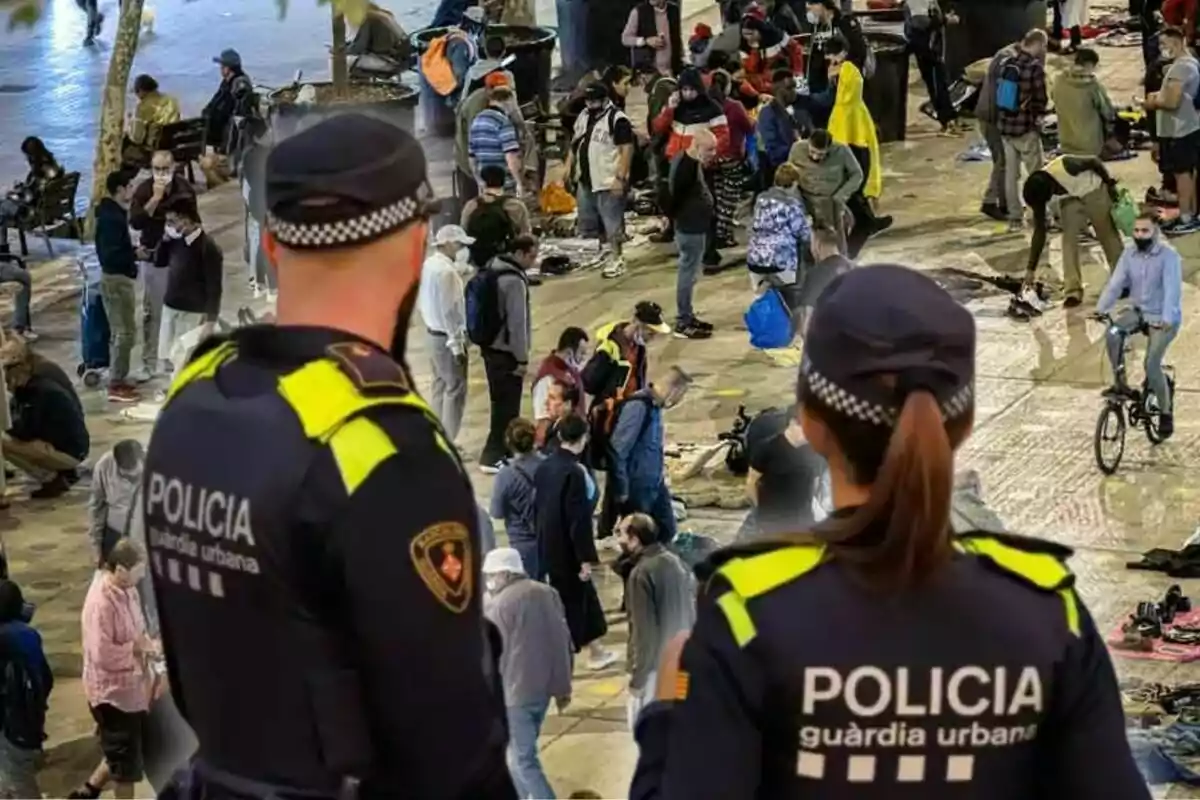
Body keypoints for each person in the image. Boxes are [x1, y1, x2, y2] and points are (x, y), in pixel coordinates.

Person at [628, 264, 1150, 799]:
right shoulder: (1047, 616)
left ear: (810, 424)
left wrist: (668, 710)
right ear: (963, 423)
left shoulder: (745, 623)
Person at [142, 113, 517, 798]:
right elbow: (453, 749)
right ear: (415, 246)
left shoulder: (196, 398)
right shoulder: (378, 448)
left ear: (271, 245)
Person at [482, 547, 573, 800]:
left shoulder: (499, 605)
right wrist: (562, 687)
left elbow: (490, 657)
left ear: (505, 574)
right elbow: (562, 643)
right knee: (516, 757)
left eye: (492, 575)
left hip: (514, 693)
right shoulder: (547, 593)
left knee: (522, 760)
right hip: (542, 691)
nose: (489, 581)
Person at [71, 540, 159, 800]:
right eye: (139, 570)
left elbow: (138, 627)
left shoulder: (127, 588)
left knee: (122, 751)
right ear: (120, 568)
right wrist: (137, 650)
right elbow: (102, 655)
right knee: (127, 771)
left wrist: (147, 646)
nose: (142, 575)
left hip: (131, 691)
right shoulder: (101, 603)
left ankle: (88, 791)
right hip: (112, 697)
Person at [534, 415, 616, 670]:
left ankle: (596, 650)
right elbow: (578, 520)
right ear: (583, 439)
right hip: (568, 550)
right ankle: (570, 657)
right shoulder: (575, 473)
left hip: (548, 544)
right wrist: (584, 558)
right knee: (576, 603)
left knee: (578, 599)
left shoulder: (545, 466)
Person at [1096, 213, 1183, 438]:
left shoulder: (1169, 257)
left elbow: (1172, 290)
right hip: (1139, 312)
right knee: (1113, 333)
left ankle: (1165, 413)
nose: (1139, 235)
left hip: (1163, 316)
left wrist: (1166, 318)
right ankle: (1121, 384)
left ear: (1155, 231)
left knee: (1151, 363)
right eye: (1136, 231)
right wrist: (1101, 308)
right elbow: (1115, 284)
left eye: (1145, 231)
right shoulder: (1129, 254)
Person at [618, 513, 695, 730]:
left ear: (634, 539)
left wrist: (638, 679)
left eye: (621, 533)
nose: (618, 540)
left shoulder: (641, 574)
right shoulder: (675, 562)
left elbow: (645, 634)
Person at [1021, 155, 1124, 308]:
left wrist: (1108, 183)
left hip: (1094, 190)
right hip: (1070, 198)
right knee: (1068, 240)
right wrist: (1030, 269)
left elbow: (1094, 161)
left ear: (1051, 188)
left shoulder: (1066, 165)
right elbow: (1040, 231)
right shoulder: (1038, 191)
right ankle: (1073, 291)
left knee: (1107, 235)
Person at [130, 150, 197, 379]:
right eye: (157, 169)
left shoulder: (184, 190)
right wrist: (155, 199)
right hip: (153, 259)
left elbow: (196, 224)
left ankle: (174, 357)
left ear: (173, 167)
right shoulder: (143, 190)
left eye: (165, 169)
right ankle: (148, 362)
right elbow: (137, 222)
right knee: (153, 312)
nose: (161, 174)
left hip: (179, 258)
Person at [610, 366, 693, 543]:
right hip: (637, 488)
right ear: (673, 390)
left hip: (655, 484)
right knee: (640, 540)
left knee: (667, 531)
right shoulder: (638, 407)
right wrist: (621, 488)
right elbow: (618, 449)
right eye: (681, 396)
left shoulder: (654, 408)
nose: (679, 401)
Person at [825, 36, 889, 253]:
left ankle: (865, 226)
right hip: (848, 136)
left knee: (854, 185)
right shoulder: (845, 74)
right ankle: (867, 222)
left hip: (852, 138)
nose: (831, 63)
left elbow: (847, 96)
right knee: (854, 190)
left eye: (832, 58)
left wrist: (836, 73)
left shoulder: (849, 71)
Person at [479, 235, 537, 473]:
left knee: (500, 403)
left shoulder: (494, 266)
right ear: (520, 254)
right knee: (506, 407)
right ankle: (492, 456)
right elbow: (517, 324)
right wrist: (522, 359)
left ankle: (500, 452)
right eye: (532, 256)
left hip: (491, 348)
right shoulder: (513, 282)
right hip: (507, 353)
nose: (534, 261)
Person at [567, 83, 636, 279]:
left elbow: (626, 150)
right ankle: (603, 253)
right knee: (589, 221)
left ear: (605, 99)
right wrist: (569, 167)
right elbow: (575, 142)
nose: (591, 103)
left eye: (594, 100)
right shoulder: (583, 115)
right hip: (586, 179)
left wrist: (620, 178)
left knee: (612, 222)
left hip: (608, 179)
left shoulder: (617, 119)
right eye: (588, 100)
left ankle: (618, 258)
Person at [2, 345, 88, 499]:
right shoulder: (37, 379)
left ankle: (51, 478)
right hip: (67, 445)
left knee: (4, 443)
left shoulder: (38, 391)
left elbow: (23, 430)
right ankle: (61, 471)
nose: (7, 386)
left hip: (70, 452)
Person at [155, 197, 223, 380]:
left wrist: (211, 320)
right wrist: (164, 240)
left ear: (186, 220)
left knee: (183, 356)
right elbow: (159, 261)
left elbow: (214, 286)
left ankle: (180, 391)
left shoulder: (207, 247)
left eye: (172, 221)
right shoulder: (175, 241)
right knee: (168, 355)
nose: (169, 225)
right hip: (171, 306)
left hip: (192, 311)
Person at [418, 224, 474, 442]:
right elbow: (451, 312)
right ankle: (449, 441)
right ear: (449, 244)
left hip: (432, 335)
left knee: (439, 387)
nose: (462, 249)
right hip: (446, 339)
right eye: (459, 244)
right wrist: (457, 344)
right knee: (455, 390)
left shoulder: (429, 265)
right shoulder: (447, 273)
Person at [1144, 26, 1200, 235]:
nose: (1161, 49)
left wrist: (1151, 102)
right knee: (1186, 173)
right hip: (1186, 126)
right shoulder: (1188, 63)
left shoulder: (1182, 68)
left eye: (1164, 45)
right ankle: (1190, 213)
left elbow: (1172, 101)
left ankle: (1186, 217)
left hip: (1180, 129)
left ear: (1176, 43)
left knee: (1182, 175)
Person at [0, 578, 51, 800]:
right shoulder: (30, 637)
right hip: (30, 726)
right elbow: (46, 680)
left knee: (23, 787)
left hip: (10, 730)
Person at [95, 170, 143, 403]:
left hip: (117, 277)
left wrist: (134, 253)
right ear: (121, 189)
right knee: (124, 332)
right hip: (116, 280)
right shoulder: (112, 219)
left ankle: (119, 377)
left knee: (124, 331)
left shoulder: (111, 214)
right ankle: (116, 383)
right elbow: (111, 254)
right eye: (130, 186)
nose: (133, 191)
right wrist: (132, 257)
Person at [745, 406, 830, 535]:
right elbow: (751, 482)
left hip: (804, 519)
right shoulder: (767, 449)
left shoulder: (814, 451)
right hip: (774, 520)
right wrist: (760, 511)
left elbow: (816, 482)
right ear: (793, 423)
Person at [996, 30, 1049, 231]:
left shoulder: (1007, 64)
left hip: (1006, 129)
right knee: (1037, 175)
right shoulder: (1034, 68)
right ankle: (1040, 217)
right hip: (1026, 129)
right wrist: (1039, 118)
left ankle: (1015, 219)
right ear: (1038, 45)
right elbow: (1040, 101)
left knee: (1011, 175)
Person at [667, 128, 717, 339]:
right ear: (696, 147)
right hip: (689, 228)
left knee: (692, 273)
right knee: (687, 274)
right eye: (709, 149)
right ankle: (683, 321)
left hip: (696, 225)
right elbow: (672, 197)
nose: (713, 153)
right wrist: (672, 221)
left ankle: (687, 315)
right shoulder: (685, 168)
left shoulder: (691, 162)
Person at [788, 129, 864, 255]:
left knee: (837, 247)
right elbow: (789, 176)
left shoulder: (842, 151)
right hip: (805, 200)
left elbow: (857, 174)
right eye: (812, 152)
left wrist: (841, 196)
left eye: (821, 154)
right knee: (805, 246)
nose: (815, 157)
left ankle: (841, 270)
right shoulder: (797, 149)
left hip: (831, 203)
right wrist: (796, 201)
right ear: (808, 143)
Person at [489, 419, 544, 580]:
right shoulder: (547, 464)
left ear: (508, 442)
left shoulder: (505, 475)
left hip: (522, 542)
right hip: (550, 537)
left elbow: (496, 512)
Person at [0, 136, 64, 270]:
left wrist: (16, 194)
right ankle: (3, 249)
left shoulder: (39, 171)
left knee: (2, 207)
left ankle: (3, 250)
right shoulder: (53, 166)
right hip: (49, 208)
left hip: (32, 213)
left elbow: (30, 197)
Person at [747, 162, 811, 290]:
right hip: (781, 260)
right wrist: (808, 223)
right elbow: (803, 234)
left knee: (761, 300)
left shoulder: (760, 199)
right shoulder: (791, 204)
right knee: (787, 299)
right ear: (793, 183)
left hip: (755, 258)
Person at [976, 40, 1020, 221]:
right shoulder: (1010, 64)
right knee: (1002, 161)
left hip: (987, 114)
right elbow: (1006, 99)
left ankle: (1004, 202)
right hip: (993, 118)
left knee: (1002, 161)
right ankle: (990, 201)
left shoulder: (1002, 56)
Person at [905, 0, 963, 135]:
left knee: (940, 82)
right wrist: (945, 20)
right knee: (937, 84)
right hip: (926, 48)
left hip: (932, 46)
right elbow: (919, 22)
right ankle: (947, 121)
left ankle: (950, 118)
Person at [89, 439, 144, 570]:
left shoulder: (157, 467)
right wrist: (96, 547)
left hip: (144, 536)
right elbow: (96, 508)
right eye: (125, 476)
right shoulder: (104, 466)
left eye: (134, 476)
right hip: (115, 534)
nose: (130, 480)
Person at [1051, 48, 1116, 158]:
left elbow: (1053, 98)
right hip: (1090, 145)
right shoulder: (1092, 85)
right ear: (1089, 64)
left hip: (1066, 142)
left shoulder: (1058, 80)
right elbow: (1107, 112)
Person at [462, 164, 532, 263]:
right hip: (506, 261)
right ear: (503, 182)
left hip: (478, 261)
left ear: (484, 182)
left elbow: (463, 232)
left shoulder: (471, 205)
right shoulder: (516, 205)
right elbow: (526, 236)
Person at [469, 73, 525, 194]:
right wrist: (519, 183)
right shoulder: (503, 123)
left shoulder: (477, 120)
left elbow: (472, 158)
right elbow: (510, 158)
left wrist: (479, 181)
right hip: (504, 186)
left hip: (486, 186)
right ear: (508, 100)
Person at [533, 326, 590, 443]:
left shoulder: (570, 370)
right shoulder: (547, 378)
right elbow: (543, 420)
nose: (583, 359)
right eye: (581, 353)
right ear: (569, 352)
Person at [803, 0, 869, 97]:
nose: (809, 12)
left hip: (842, 85)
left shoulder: (844, 22)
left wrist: (840, 65)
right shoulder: (816, 27)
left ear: (821, 5)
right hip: (819, 86)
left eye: (811, 7)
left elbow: (859, 51)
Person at [202, 49, 255, 155]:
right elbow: (216, 101)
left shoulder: (240, 84)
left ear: (229, 68)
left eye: (222, 66)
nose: (220, 68)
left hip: (228, 131)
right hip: (217, 126)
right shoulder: (226, 81)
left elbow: (234, 110)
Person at [737, 11, 803, 94]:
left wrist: (798, 72)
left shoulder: (778, 37)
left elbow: (796, 49)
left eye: (751, 34)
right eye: (745, 34)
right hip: (759, 88)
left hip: (782, 82)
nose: (748, 37)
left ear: (760, 30)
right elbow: (750, 70)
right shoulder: (745, 46)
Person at [123, 75, 182, 167]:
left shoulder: (142, 107)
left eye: (137, 92)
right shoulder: (171, 100)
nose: (137, 95)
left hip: (155, 150)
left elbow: (137, 138)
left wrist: (131, 123)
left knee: (123, 144)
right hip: (176, 146)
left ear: (142, 91)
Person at [756, 70, 801, 183]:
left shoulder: (797, 110)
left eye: (795, 88)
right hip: (777, 172)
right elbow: (773, 149)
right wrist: (797, 149)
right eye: (789, 88)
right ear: (779, 91)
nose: (794, 92)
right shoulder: (767, 113)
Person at [345, 2, 412, 76]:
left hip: (390, 62)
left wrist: (340, 51)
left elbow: (359, 48)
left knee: (345, 61)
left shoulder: (367, 18)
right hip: (402, 59)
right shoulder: (382, 13)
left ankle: (354, 85)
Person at [622, 0, 685, 77]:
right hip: (649, 74)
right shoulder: (638, 12)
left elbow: (677, 36)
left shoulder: (674, 10)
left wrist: (681, 57)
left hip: (672, 71)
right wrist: (646, 41)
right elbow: (625, 39)